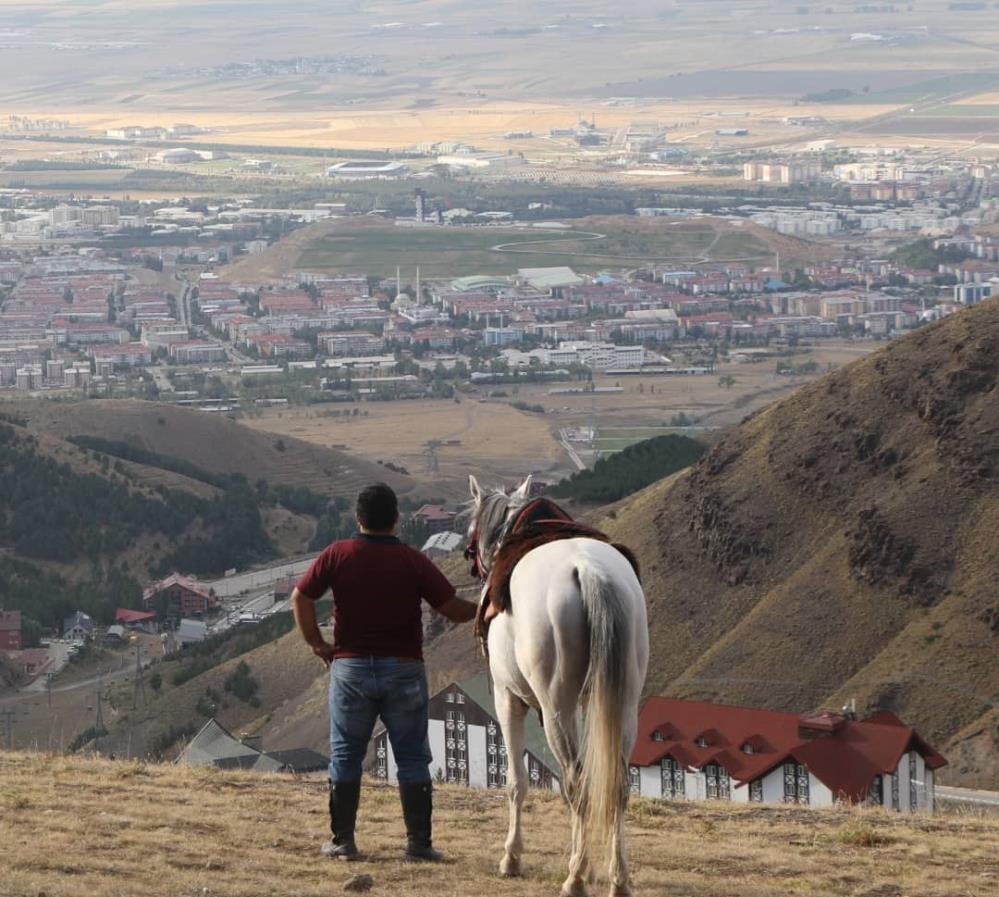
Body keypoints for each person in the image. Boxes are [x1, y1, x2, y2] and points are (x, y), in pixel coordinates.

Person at [291, 483, 477, 862]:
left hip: (350, 668)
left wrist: (317, 644)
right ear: (396, 520)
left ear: (358, 518)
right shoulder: (413, 561)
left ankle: (343, 842)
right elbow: (454, 609)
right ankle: (419, 845)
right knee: (411, 757)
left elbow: (301, 597)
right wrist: (491, 604)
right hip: (404, 669)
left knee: (345, 754)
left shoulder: (337, 554)